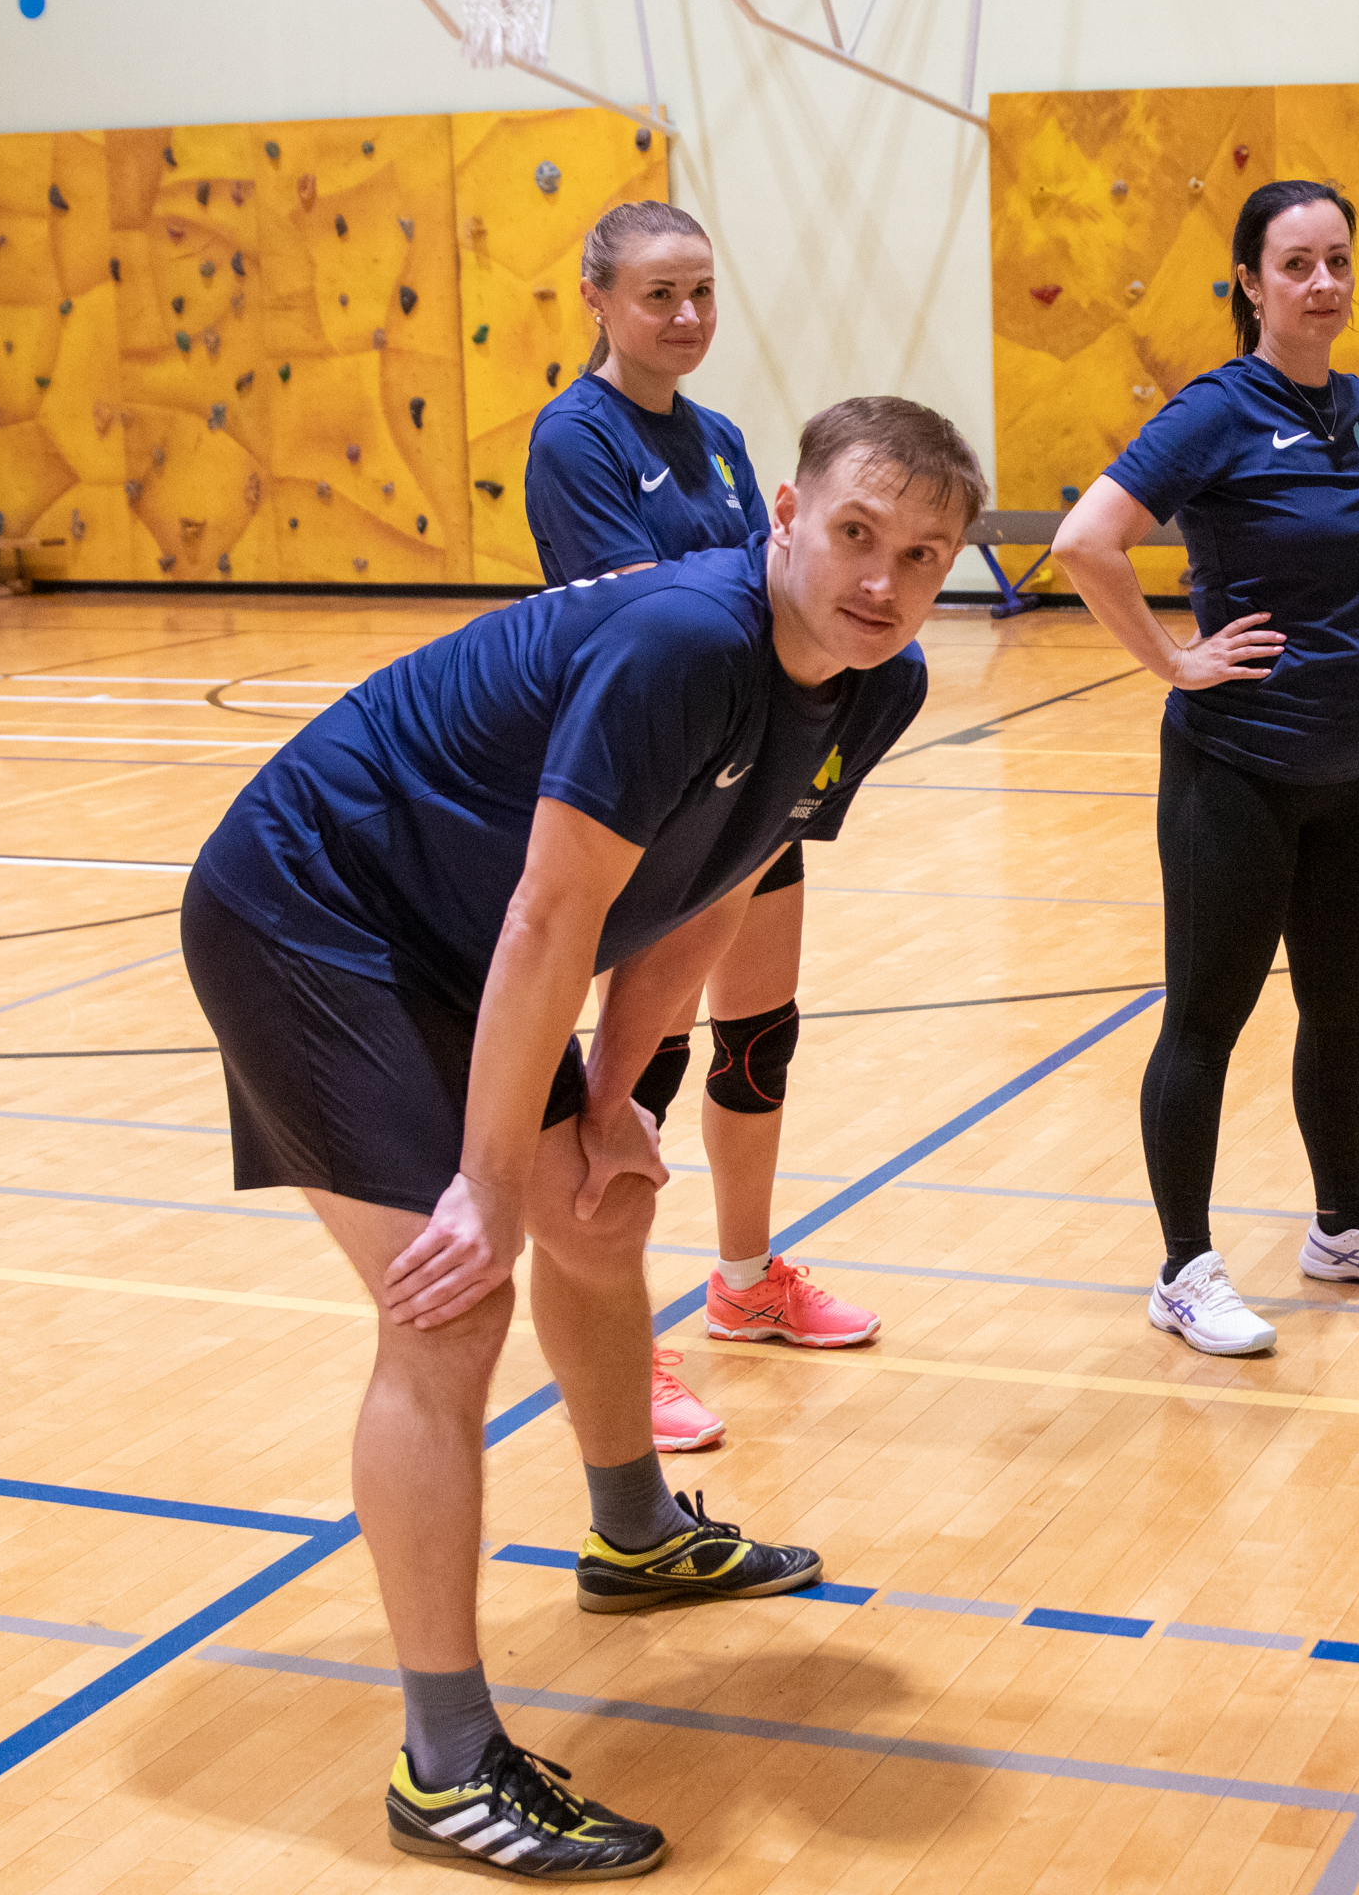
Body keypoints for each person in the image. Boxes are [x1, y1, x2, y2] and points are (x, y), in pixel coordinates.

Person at [180, 396, 981, 1878]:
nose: (883, 580)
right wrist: (489, 1185)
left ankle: (633, 1533)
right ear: (786, 518)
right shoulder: (686, 644)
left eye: (923, 556)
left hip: (454, 936)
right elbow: (552, 917)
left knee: (603, 1213)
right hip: (313, 913)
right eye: (857, 534)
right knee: (451, 1300)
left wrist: (614, 1102)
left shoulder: (880, 682)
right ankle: (445, 1765)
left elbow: (722, 875)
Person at [1052, 178, 1359, 1361]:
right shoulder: (1217, 410)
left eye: (1339, 261)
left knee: (1342, 1009)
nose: (1323, 284)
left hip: (1353, 764)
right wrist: (1177, 659)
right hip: (1234, 769)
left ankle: (1342, 1229)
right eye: (1296, 265)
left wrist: (1347, 637)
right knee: (1205, 1023)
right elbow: (1086, 540)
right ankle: (1184, 1270)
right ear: (1250, 282)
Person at [523, 201, 882, 1459]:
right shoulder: (575, 438)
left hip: (751, 771)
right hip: (651, 790)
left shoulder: (722, 440)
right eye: (659, 294)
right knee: (641, 1063)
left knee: (760, 1035)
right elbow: (650, 613)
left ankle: (745, 1280)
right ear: (598, 299)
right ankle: (622, 1334)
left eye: (702, 293)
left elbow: (771, 590)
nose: (686, 317)